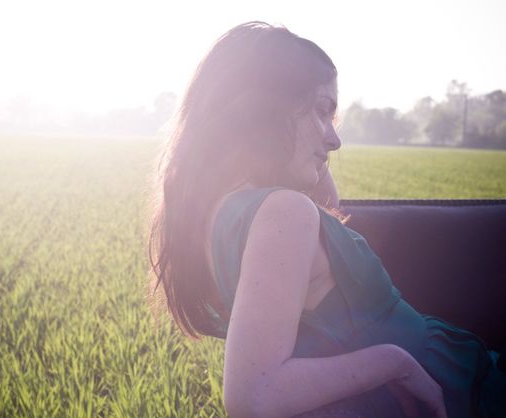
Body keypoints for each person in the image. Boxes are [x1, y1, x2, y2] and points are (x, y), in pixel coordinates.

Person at [147, 21, 504, 418]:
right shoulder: (284, 212)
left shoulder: (221, 216)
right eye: (322, 110)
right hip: (453, 388)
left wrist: (303, 144)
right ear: (264, 107)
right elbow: (252, 396)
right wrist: (394, 362)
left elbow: (331, 206)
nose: (335, 140)